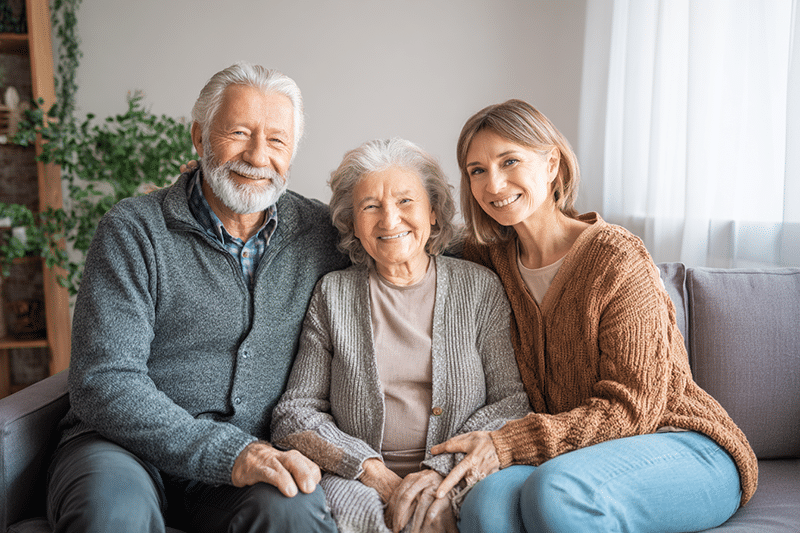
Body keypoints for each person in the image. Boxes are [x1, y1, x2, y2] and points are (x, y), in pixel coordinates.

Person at [46, 62, 349, 533]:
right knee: (114, 514)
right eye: (239, 133)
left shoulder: (321, 233)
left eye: (276, 140)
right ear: (199, 137)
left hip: (247, 459)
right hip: (120, 447)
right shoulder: (133, 230)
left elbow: (408, 242)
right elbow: (104, 379)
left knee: (291, 510)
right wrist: (227, 452)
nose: (257, 155)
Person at [430, 99, 759, 533]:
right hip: (573, 457)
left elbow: (633, 409)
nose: (494, 183)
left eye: (510, 161)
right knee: (485, 505)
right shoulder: (488, 259)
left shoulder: (617, 258)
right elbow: (411, 240)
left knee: (556, 491)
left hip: (679, 443)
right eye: (477, 170)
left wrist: (509, 442)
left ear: (551, 164)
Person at [270, 138, 531, 533]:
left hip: (459, 474)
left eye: (405, 201)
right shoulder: (333, 294)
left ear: (434, 213)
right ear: (353, 223)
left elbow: (511, 403)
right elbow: (294, 413)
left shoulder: (479, 289)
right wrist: (372, 472)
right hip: (357, 478)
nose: (389, 220)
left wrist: (439, 474)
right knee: (359, 518)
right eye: (370, 206)